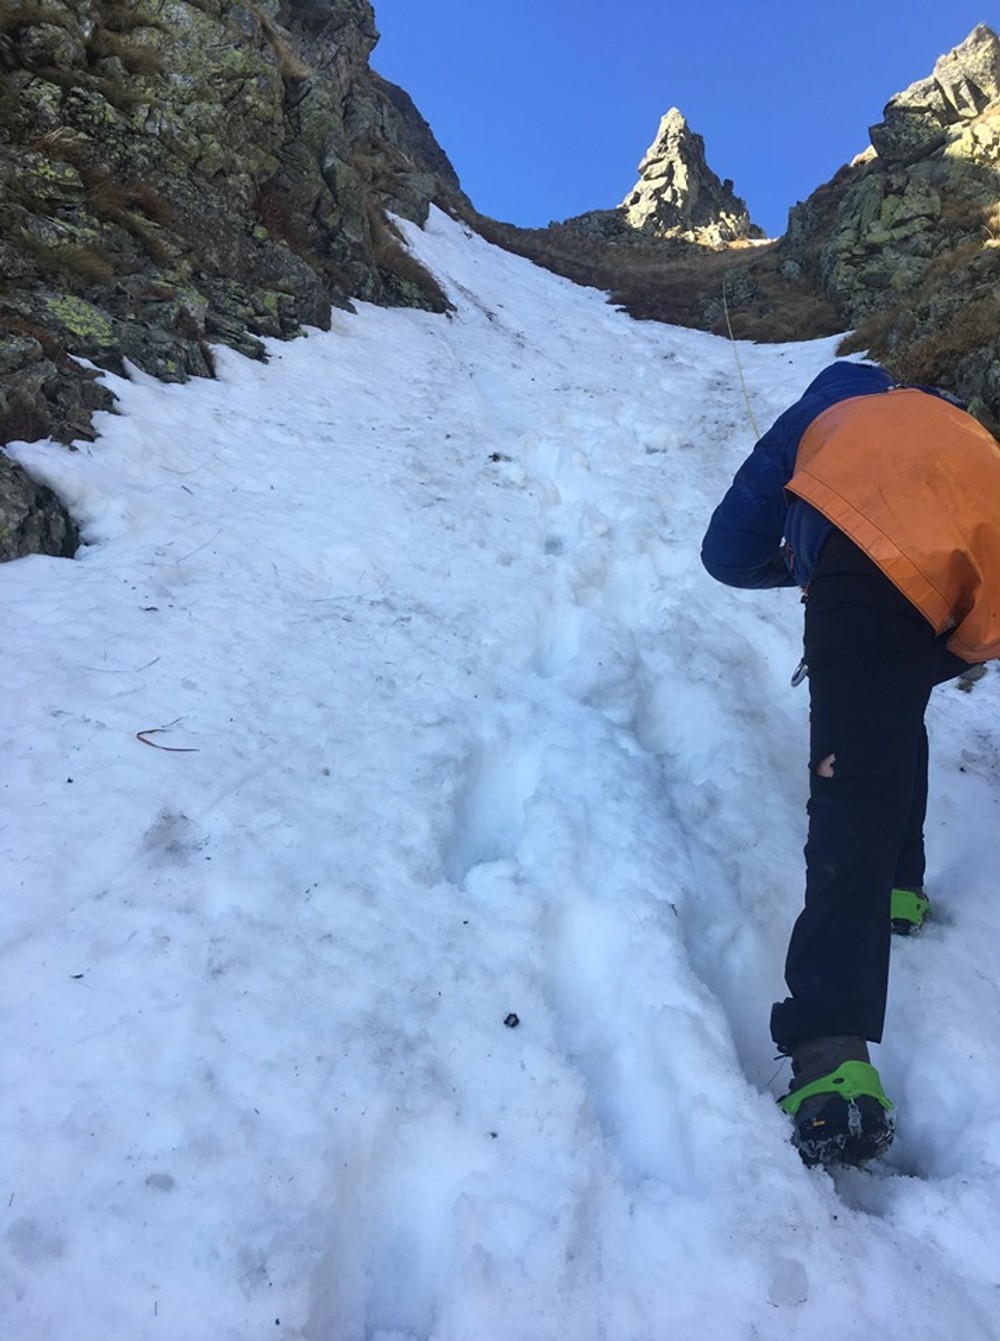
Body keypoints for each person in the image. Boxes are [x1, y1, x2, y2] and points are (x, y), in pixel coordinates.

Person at [700, 360, 1000, 1166]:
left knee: (852, 786)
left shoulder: (828, 403)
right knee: (890, 700)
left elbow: (725, 550)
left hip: (870, 545)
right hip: (986, 554)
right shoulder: (948, 411)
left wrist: (807, 567)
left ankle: (830, 1057)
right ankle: (900, 884)